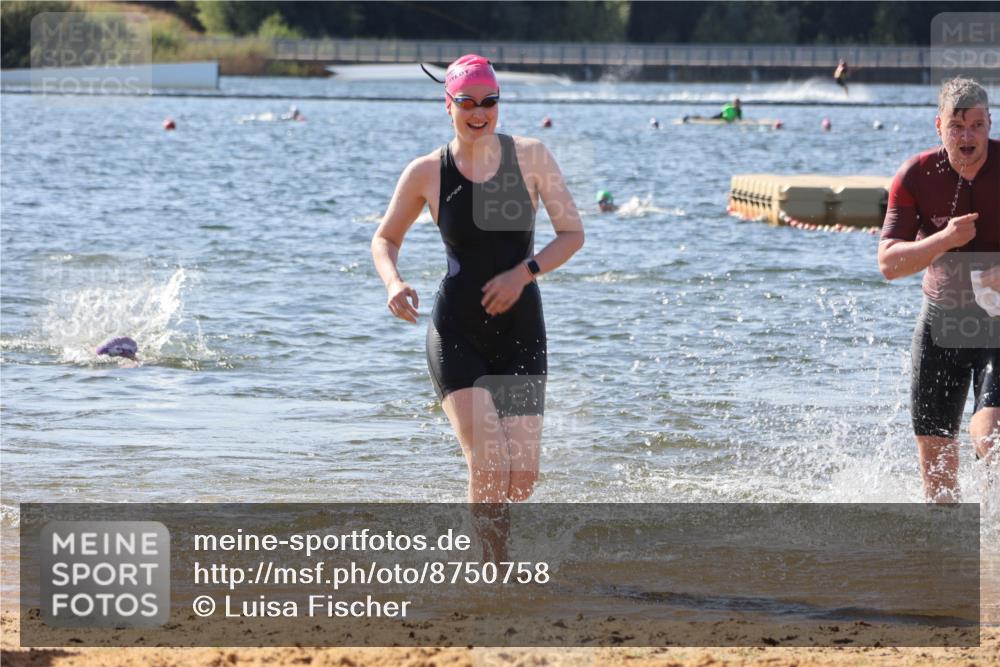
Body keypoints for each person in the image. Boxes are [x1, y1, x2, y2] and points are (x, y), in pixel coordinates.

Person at [371, 55, 584, 506]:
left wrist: (524, 273)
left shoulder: (530, 157)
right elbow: (385, 238)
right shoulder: (427, 172)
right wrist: (393, 282)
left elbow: (572, 235)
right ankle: (490, 573)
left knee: (521, 478)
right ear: (447, 104)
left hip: (520, 330)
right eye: (466, 102)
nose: (479, 112)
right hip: (456, 332)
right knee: (488, 464)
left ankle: (494, 561)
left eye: (489, 101)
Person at [877, 77, 999, 502]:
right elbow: (889, 264)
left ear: (989, 124)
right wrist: (943, 240)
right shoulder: (916, 175)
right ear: (939, 126)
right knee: (939, 485)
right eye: (957, 126)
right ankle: (946, 561)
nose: (968, 137)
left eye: (978, 126)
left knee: (991, 438)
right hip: (940, 323)